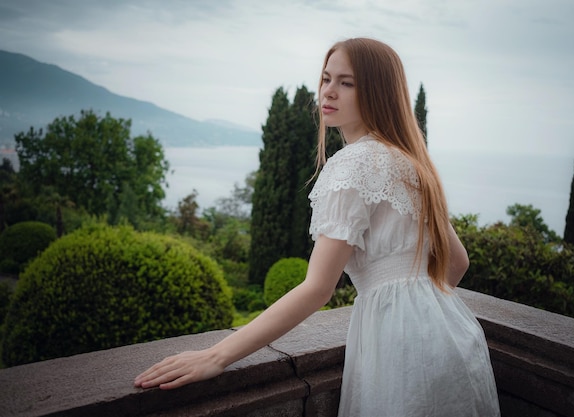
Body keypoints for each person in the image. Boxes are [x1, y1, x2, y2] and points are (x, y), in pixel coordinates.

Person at [135, 37, 501, 417]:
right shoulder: (412, 163)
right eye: (326, 78)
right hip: (452, 335)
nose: (328, 91)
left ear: (377, 92)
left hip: (400, 349)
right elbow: (457, 263)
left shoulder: (352, 164)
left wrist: (216, 355)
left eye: (347, 82)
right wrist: (417, 304)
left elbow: (317, 289)